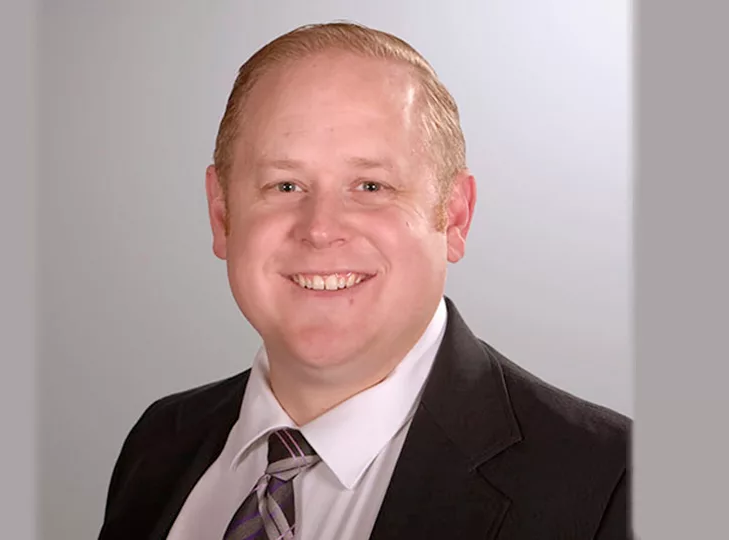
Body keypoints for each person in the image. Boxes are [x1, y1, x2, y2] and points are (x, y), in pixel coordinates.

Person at [98, 21, 630, 540]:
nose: (320, 229)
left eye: (371, 186)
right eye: (285, 185)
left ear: (455, 218)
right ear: (221, 215)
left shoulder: (612, 483)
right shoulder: (160, 444)